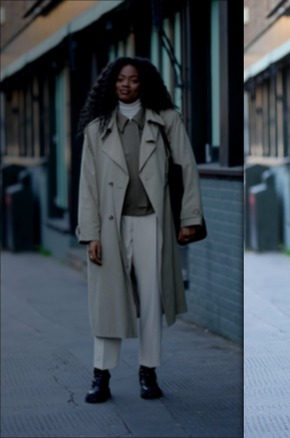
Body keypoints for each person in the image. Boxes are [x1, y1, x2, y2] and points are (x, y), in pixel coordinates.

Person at [76, 57, 204, 403]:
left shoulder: (167, 122)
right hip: (109, 227)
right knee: (107, 303)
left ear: (143, 84)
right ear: (111, 83)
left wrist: (189, 219)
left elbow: (187, 169)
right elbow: (87, 186)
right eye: (120, 79)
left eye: (133, 80)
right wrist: (91, 234)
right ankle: (101, 375)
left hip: (153, 222)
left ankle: (148, 372)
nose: (126, 85)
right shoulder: (96, 129)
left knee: (151, 300)